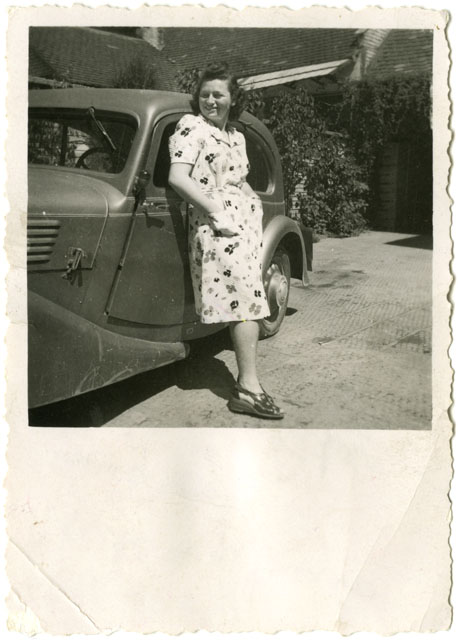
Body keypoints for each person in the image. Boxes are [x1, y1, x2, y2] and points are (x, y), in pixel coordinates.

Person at [168, 62, 284, 419]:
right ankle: (248, 388)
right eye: (204, 94)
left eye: (218, 94)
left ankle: (248, 384)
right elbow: (178, 177)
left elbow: (240, 179)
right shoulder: (192, 128)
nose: (210, 101)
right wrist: (217, 211)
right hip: (215, 225)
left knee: (250, 299)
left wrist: (252, 206)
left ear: (233, 99)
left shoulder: (236, 136)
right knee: (246, 302)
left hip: (242, 225)